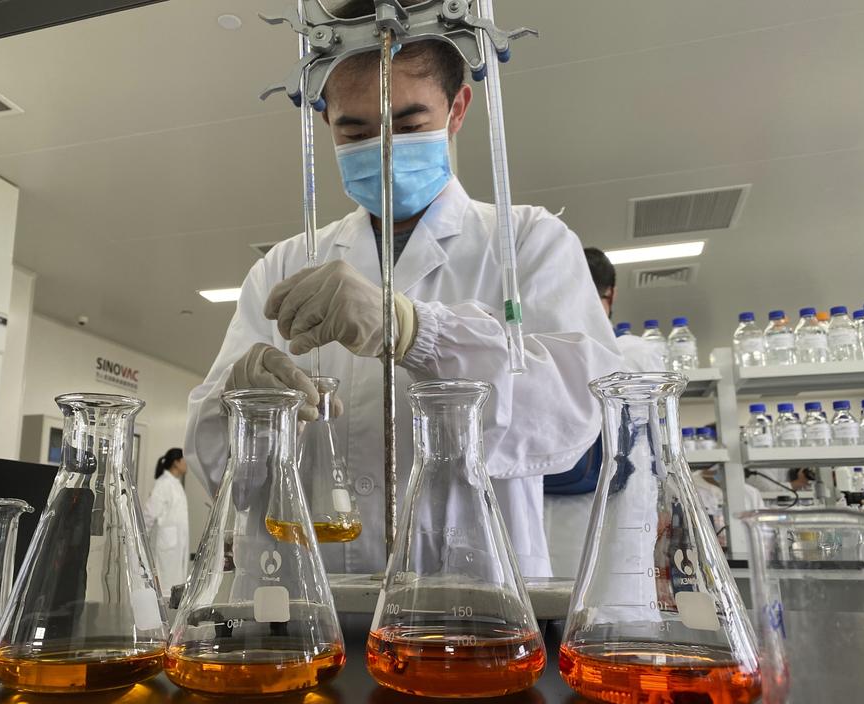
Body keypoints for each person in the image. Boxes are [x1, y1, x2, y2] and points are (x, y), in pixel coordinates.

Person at [185, 0, 622, 576]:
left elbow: (574, 418)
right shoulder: (285, 264)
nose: (383, 149)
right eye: (356, 130)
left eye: (410, 125)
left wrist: (418, 333)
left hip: (470, 606)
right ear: (324, 121)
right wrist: (241, 405)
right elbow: (219, 469)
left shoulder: (529, 242)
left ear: (458, 108)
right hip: (304, 603)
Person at [543, 247, 665, 577]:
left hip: (540, 525)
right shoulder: (636, 353)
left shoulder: (538, 354)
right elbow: (656, 450)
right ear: (610, 294)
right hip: (614, 523)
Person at [143, 448, 191, 591]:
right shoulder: (163, 484)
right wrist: (139, 545)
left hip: (175, 547)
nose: (187, 464)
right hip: (167, 548)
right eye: (184, 460)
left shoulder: (175, 484)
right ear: (176, 463)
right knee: (166, 588)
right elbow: (149, 514)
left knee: (175, 586)